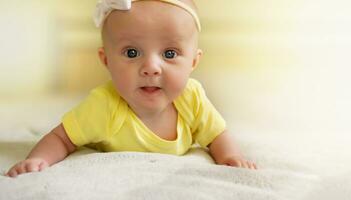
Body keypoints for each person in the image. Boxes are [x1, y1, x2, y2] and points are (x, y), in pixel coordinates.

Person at [6, 0, 257, 178]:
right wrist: (38, 159)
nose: (151, 67)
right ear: (106, 61)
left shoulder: (192, 98)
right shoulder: (104, 104)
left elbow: (216, 135)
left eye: (169, 53)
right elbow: (62, 138)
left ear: (193, 62)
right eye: (132, 52)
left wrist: (229, 157)